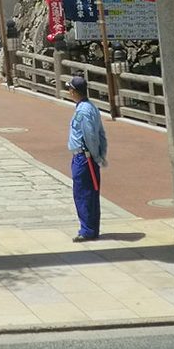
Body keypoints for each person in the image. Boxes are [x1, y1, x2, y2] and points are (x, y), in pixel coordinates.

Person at [66, 74, 108, 241]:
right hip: (87, 157)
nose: (69, 92)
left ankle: (87, 230)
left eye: (70, 89)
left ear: (74, 91)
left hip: (84, 157)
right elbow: (101, 133)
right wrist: (101, 154)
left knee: (83, 194)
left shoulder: (83, 111)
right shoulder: (91, 107)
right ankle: (91, 228)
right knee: (90, 193)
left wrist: (96, 155)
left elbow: (90, 135)